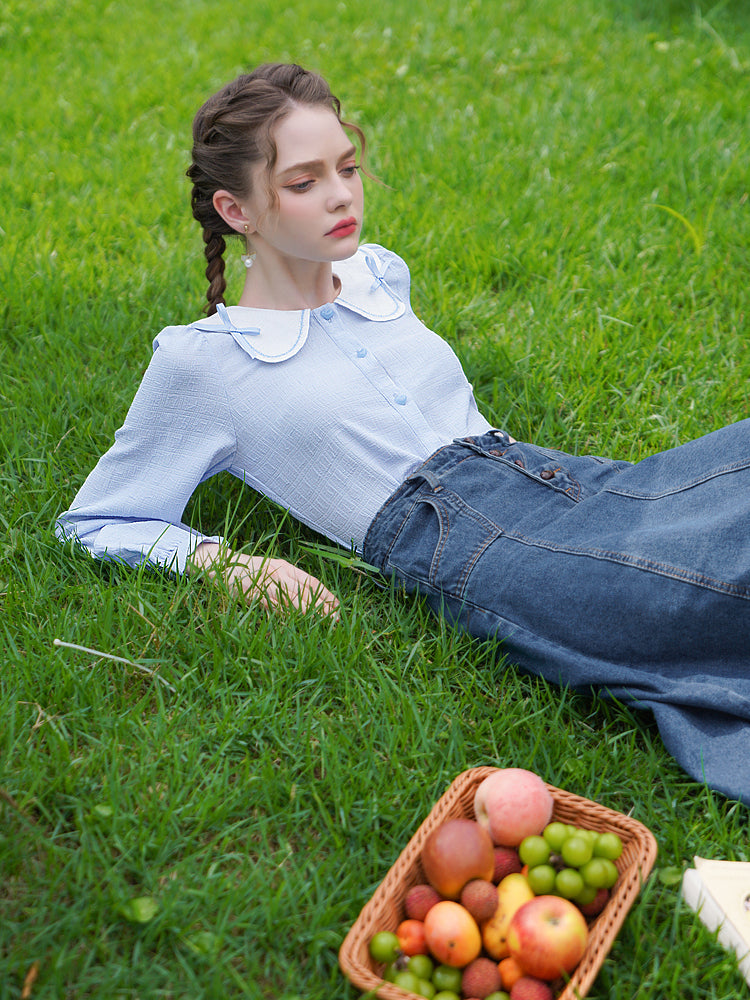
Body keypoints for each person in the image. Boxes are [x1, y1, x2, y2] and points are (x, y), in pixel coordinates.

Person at [56, 63, 750, 804]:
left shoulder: (376, 275)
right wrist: (234, 567)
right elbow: (96, 519)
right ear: (237, 209)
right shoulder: (205, 363)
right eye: (302, 182)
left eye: (347, 167)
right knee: (714, 581)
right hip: (471, 546)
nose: (341, 195)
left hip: (555, 477)